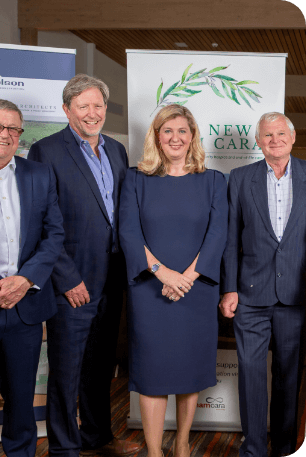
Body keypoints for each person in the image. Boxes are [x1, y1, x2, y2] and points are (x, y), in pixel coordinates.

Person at [28, 74, 140, 457]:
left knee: (100, 365)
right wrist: (67, 279)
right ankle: (64, 447)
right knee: (66, 370)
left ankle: (98, 436)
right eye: (83, 106)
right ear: (66, 110)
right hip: (73, 280)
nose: (92, 114)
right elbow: (42, 221)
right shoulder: (47, 151)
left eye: (98, 106)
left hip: (112, 279)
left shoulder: (117, 150)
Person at [119, 104, 228, 457]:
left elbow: (217, 235)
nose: (175, 137)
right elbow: (129, 234)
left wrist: (187, 277)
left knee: (189, 370)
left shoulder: (213, 180)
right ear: (156, 136)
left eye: (182, 131)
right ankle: (154, 451)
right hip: (150, 290)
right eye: (168, 131)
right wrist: (164, 274)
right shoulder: (135, 178)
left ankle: (181, 445)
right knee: (153, 373)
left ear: (193, 136)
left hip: (196, 291)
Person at [0, 99, 64, 455]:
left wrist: (24, 281)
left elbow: (54, 235)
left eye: (13, 129)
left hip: (25, 307)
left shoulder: (38, 174)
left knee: (22, 401)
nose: (4, 135)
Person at [220, 112, 306, 457]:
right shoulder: (240, 179)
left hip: (296, 297)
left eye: (280, 133)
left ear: (293, 136)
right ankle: (253, 448)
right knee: (252, 375)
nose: (274, 139)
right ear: (258, 141)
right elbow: (229, 240)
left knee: (289, 375)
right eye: (267, 135)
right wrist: (229, 288)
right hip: (251, 296)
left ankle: (284, 447)